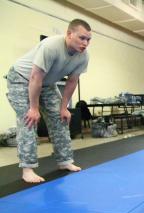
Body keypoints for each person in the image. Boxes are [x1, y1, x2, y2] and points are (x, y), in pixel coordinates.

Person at [6, 19, 91, 183]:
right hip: (22, 79)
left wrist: (64, 107)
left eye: (88, 39)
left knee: (61, 118)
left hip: (46, 83)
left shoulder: (83, 56)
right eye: (81, 38)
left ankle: (65, 161)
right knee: (29, 120)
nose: (85, 43)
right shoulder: (51, 46)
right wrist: (33, 108)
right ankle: (28, 169)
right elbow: (35, 77)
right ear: (69, 34)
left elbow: (72, 81)